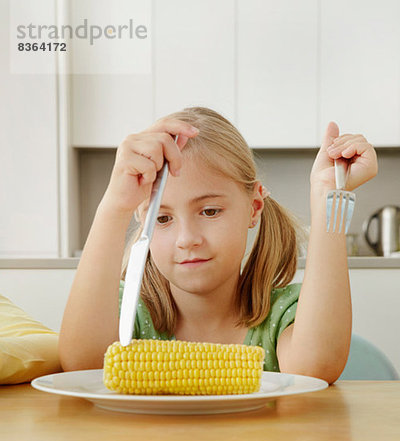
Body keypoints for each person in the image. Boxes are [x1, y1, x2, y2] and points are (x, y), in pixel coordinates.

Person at [59, 106, 377, 383]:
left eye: (210, 211)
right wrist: (115, 207)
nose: (187, 239)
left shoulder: (285, 316)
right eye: (163, 218)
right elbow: (82, 366)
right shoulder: (126, 314)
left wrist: (328, 198)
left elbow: (315, 366)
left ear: (253, 207)